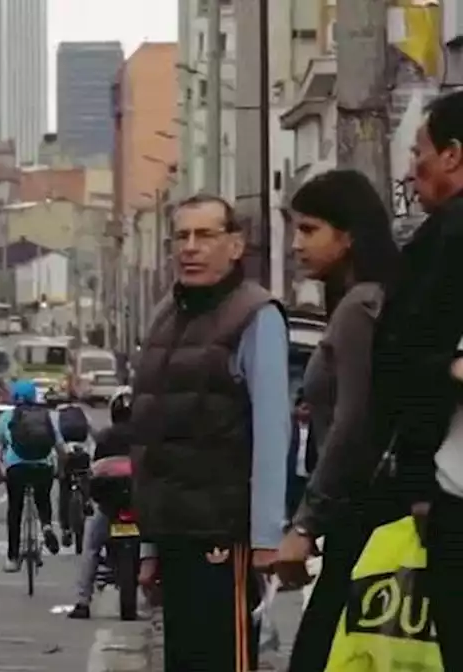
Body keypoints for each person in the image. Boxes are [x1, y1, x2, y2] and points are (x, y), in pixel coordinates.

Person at [131, 194, 291, 672]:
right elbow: (154, 439)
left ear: (236, 245)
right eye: (181, 237)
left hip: (228, 534)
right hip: (176, 532)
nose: (191, 248)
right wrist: (150, 544)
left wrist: (266, 539)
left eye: (206, 236)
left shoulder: (255, 315)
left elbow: (271, 431)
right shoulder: (166, 316)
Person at [268, 169, 397, 672]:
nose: (296, 244)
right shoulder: (357, 302)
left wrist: (305, 524)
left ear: (347, 237)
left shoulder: (361, 307)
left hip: (364, 519)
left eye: (308, 230)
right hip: (362, 518)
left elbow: (354, 423)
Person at [366, 90, 463, 670]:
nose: (411, 168)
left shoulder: (449, 237)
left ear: (452, 156)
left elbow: (401, 357)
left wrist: (418, 484)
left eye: (419, 151)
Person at [68, 387, 134, 619]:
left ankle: (82, 601)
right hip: (139, 506)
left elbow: (94, 472)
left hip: (108, 505)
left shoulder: (105, 437)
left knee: (91, 547)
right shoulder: (146, 437)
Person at [0, 379, 64, 572]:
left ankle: (13, 557)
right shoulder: (46, 416)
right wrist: (60, 470)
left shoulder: (7, 416)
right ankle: (46, 526)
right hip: (42, 465)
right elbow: (60, 449)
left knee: (15, 510)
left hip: (16, 468)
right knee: (43, 500)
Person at [54, 402, 93, 547]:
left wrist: (58, 470)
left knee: (64, 489)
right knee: (85, 477)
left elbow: (56, 442)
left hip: (66, 455)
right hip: (83, 454)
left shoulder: (57, 416)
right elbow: (92, 434)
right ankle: (87, 501)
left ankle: (65, 529)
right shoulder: (83, 414)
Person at [284, 394, 315, 520]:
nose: (305, 409)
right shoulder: (289, 427)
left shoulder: (315, 428)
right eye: (302, 406)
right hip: (292, 475)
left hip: (309, 476)